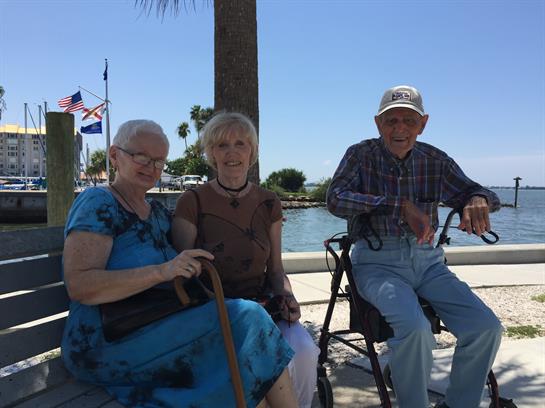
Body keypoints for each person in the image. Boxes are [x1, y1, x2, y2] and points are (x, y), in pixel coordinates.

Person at [61, 119, 297, 408]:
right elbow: (80, 285)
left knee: (241, 343)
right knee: (247, 319)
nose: (151, 167)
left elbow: (191, 253)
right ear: (114, 156)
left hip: (155, 326)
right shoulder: (98, 202)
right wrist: (162, 271)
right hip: (104, 342)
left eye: (159, 161)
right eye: (141, 157)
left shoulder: (157, 213)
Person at [327, 85, 503, 408]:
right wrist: (399, 206)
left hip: (429, 263)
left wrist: (477, 200)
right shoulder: (360, 155)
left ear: (423, 124)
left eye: (409, 121)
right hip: (376, 262)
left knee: (486, 327)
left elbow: (482, 193)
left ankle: (458, 404)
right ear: (378, 124)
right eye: (391, 120)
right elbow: (334, 198)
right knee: (415, 329)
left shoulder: (435, 160)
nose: (400, 128)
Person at [172, 112, 320, 408]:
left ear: (252, 151)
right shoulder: (192, 202)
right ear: (211, 153)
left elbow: (276, 270)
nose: (232, 152)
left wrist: (287, 297)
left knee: (304, 351)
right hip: (213, 312)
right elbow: (181, 276)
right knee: (256, 378)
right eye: (222, 145)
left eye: (240, 144)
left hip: (265, 306)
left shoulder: (269, 202)